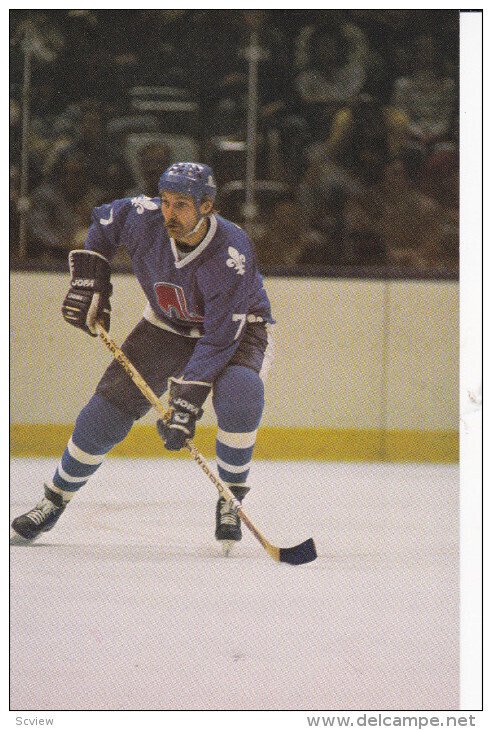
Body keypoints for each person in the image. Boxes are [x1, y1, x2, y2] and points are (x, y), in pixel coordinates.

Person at [11, 162, 275, 555]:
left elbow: (220, 338)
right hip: (166, 325)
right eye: (166, 201)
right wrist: (91, 281)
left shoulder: (231, 252)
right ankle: (54, 499)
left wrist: (186, 401)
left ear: (207, 207)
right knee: (106, 411)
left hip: (238, 330)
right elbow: (102, 223)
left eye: (181, 205)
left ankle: (230, 499)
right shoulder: (143, 217)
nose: (169, 212)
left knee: (239, 392)